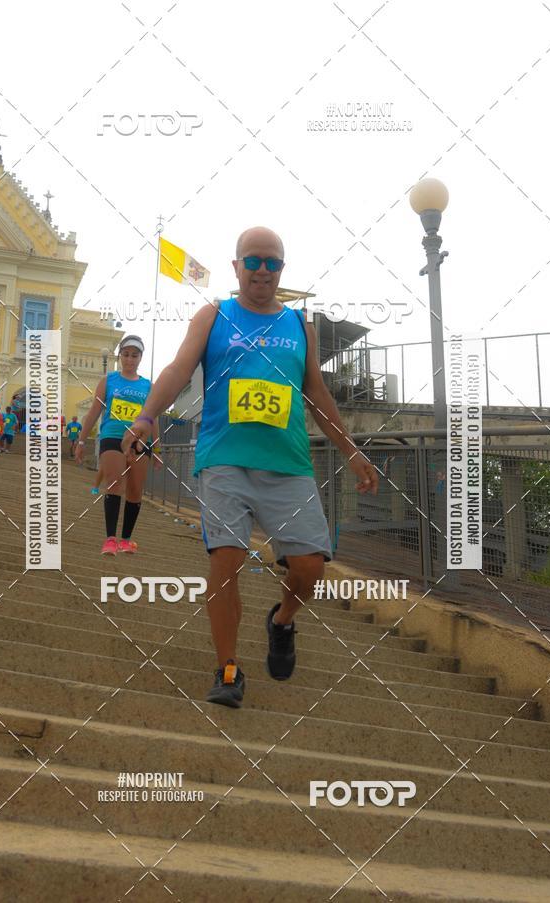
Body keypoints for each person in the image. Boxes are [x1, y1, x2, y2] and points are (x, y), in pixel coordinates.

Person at [122, 226, 379, 708]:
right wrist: (146, 415)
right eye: (253, 261)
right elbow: (179, 369)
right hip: (224, 458)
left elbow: (317, 394)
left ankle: (281, 621)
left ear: (282, 269)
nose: (262, 270)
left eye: (272, 262)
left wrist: (351, 450)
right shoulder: (214, 315)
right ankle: (228, 669)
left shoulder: (300, 325)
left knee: (307, 569)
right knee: (227, 559)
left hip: (288, 463)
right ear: (236, 266)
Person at [76, 335, 153, 555]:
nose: (130, 360)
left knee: (135, 490)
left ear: (140, 358)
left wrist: (155, 448)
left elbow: (152, 418)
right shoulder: (109, 381)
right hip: (112, 436)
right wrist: (81, 440)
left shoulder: (147, 385)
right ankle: (110, 539)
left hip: (140, 440)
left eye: (134, 355)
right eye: (126, 355)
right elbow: (93, 412)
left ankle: (126, 539)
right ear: (120, 357)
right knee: (114, 483)